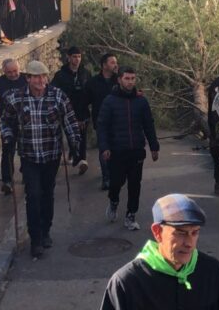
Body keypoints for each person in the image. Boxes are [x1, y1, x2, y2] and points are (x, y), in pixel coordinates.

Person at [0, 60, 81, 258]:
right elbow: (5, 121)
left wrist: (75, 144)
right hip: (28, 156)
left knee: (47, 194)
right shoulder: (15, 98)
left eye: (43, 76)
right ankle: (35, 239)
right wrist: (8, 137)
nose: (41, 81)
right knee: (33, 195)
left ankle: (46, 231)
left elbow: (70, 120)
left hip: (51, 155)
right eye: (36, 77)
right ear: (28, 78)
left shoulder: (57, 96)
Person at [100, 194, 219, 310]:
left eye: (195, 233)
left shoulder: (212, 271)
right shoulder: (126, 283)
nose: (189, 243)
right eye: (181, 233)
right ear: (157, 232)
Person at [97, 66, 159, 231]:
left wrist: (154, 147)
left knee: (134, 184)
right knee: (116, 182)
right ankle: (114, 201)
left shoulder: (141, 101)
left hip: (136, 150)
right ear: (119, 80)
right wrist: (104, 147)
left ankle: (131, 215)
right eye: (127, 78)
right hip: (116, 151)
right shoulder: (110, 101)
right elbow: (102, 126)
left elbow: (148, 125)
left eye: (133, 78)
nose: (130, 82)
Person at [0, 59, 27, 194]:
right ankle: (7, 181)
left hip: (26, 121)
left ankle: (27, 175)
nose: (13, 74)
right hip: (7, 122)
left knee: (25, 150)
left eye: (15, 71)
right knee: (8, 150)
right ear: (4, 71)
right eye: (9, 72)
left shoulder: (26, 79)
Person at [51, 47, 90, 175]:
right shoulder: (60, 75)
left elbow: (90, 91)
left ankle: (81, 160)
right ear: (69, 57)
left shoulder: (85, 73)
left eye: (79, 56)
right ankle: (77, 158)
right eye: (74, 56)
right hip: (66, 111)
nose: (77, 59)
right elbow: (53, 92)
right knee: (71, 135)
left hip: (82, 110)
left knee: (82, 136)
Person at [85, 53, 119, 190]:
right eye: (112, 62)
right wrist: (82, 117)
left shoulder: (120, 81)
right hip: (101, 121)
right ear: (104, 65)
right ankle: (106, 177)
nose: (115, 65)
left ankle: (115, 173)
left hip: (118, 121)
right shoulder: (93, 83)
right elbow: (84, 101)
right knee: (104, 149)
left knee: (117, 149)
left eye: (116, 62)